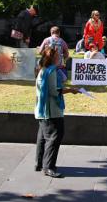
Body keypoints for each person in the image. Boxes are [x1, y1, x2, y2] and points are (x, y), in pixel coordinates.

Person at [34, 47, 80, 178]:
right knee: (55, 136)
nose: (60, 57)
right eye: (58, 55)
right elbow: (54, 91)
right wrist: (70, 90)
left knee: (43, 137)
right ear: (54, 58)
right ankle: (48, 167)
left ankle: (39, 163)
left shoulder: (41, 69)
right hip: (51, 110)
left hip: (41, 109)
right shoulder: (52, 71)